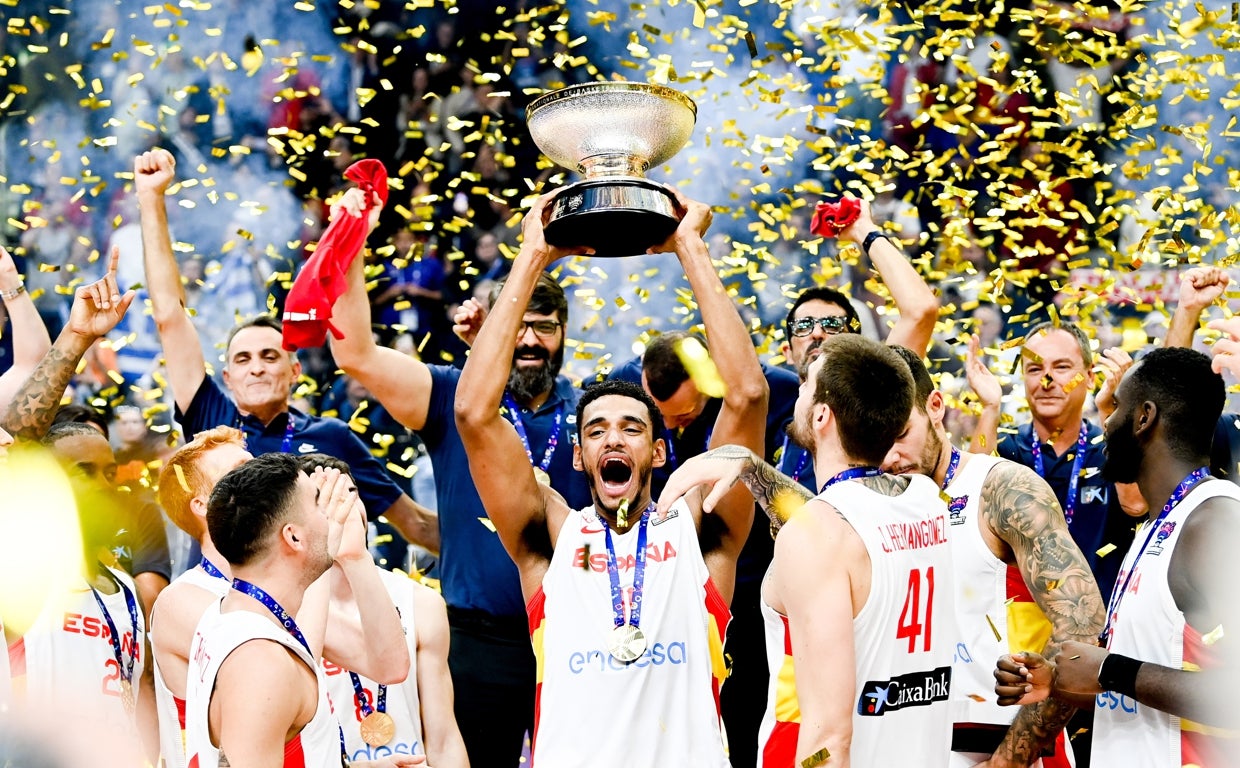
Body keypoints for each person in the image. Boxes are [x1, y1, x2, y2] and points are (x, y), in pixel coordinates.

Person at [453, 191, 765, 766]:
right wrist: (533, 255)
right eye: (596, 431)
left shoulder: (702, 532)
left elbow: (746, 396)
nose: (614, 439)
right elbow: (474, 414)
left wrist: (688, 246)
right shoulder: (550, 539)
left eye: (631, 429)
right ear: (579, 457)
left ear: (659, 453)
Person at [328, 191, 592, 766]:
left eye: (544, 327)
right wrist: (350, 238)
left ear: (565, 331)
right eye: (515, 326)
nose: (528, 340)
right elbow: (355, 354)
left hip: (575, 633)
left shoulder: (596, 413)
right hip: (475, 639)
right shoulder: (450, 394)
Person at [658, 334, 956, 767]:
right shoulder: (925, 500)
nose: (796, 389)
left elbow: (830, 735)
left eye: (806, 384)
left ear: (821, 416)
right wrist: (751, 468)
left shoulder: (816, 535)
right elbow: (844, 509)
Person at [132, 149, 437, 554]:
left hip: (313, 611)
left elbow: (414, 522)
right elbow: (169, 315)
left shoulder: (332, 437)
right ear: (227, 379)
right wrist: (151, 199)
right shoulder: (211, 422)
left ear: (295, 371)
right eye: (243, 359)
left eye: (269, 356)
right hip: (223, 606)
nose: (256, 368)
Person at [994, 347, 1240, 767]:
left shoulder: (1214, 522)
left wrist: (1111, 671)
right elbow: (1148, 679)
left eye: (1117, 407)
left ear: (1144, 417)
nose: (1105, 422)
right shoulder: (1156, 526)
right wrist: (1058, 681)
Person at [882, 346, 1105, 766]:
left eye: (899, 434)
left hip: (1001, 747)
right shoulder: (872, 496)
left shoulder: (1001, 489)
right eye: (876, 439)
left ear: (934, 406)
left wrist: (1009, 759)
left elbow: (1083, 625)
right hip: (902, 744)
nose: (890, 457)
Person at [150, 430, 412, 768]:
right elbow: (292, 652)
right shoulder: (183, 601)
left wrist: (354, 556)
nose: (257, 477)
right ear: (205, 505)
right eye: (238, 472)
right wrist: (319, 543)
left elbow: (388, 664)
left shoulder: (274, 597)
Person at [297, 454, 468, 768]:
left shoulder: (422, 603)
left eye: (350, 494)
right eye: (326, 499)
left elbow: (443, 738)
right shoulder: (287, 612)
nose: (344, 507)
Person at [7, 421, 160, 765]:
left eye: (110, 474)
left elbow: (144, 691)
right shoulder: (23, 568)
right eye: (84, 472)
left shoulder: (127, 591)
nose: (105, 486)